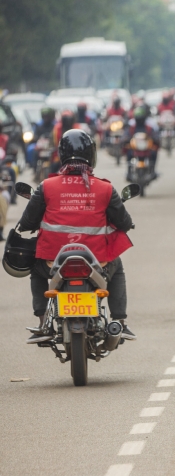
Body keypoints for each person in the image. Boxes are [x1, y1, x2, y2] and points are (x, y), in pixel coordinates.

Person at [18, 129, 136, 341]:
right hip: (97, 264)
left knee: (35, 269)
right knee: (116, 265)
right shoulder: (105, 189)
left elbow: (27, 222)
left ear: (61, 154)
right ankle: (119, 322)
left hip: (51, 264)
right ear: (92, 155)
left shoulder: (46, 187)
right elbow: (124, 223)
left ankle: (43, 320)